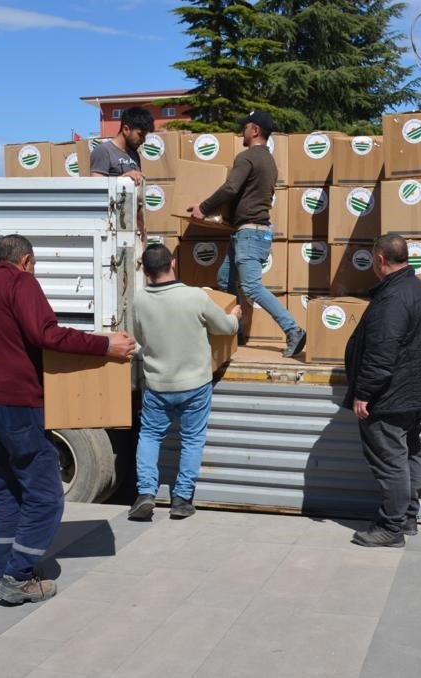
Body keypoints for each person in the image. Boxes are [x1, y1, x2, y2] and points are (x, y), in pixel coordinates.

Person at [0, 235, 136, 604]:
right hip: (16, 404)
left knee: (8, 492)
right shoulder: (20, 282)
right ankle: (17, 574)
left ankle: (1, 572)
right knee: (45, 496)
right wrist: (107, 345)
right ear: (25, 260)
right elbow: (45, 334)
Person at [343, 234, 421, 548]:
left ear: (380, 260)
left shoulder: (392, 298)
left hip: (390, 396)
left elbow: (382, 352)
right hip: (415, 392)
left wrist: (364, 393)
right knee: (410, 453)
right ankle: (408, 517)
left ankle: (392, 528)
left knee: (390, 462)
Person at [128, 244, 241, 521]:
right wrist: (235, 317)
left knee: (150, 436)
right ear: (174, 264)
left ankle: (145, 493)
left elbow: (139, 338)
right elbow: (224, 328)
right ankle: (181, 499)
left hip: (157, 384)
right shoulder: (195, 297)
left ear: (144, 270)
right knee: (192, 439)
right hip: (195, 385)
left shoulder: (139, 301)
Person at [189, 109, 306, 358]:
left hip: (250, 233)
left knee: (252, 287)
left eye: (245, 127)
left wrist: (204, 208)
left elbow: (231, 188)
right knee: (224, 279)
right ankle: (235, 329)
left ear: (255, 131)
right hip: (248, 232)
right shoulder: (269, 160)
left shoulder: (247, 157)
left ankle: (293, 329)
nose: (241, 131)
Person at [89, 106, 155, 179]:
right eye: (140, 135)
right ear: (126, 129)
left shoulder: (134, 154)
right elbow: (98, 186)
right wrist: (123, 179)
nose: (143, 140)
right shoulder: (103, 151)